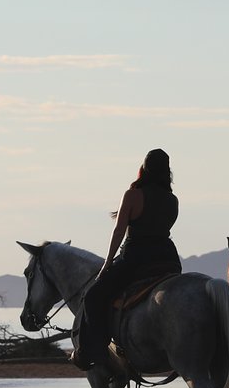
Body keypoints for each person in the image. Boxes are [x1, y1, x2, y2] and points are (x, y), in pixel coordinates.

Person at [71, 148, 181, 373]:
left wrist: (107, 264)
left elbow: (118, 232)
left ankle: (97, 352)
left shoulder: (132, 195)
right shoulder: (173, 200)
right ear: (167, 171)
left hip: (137, 259)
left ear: (144, 168)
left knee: (93, 297)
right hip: (168, 259)